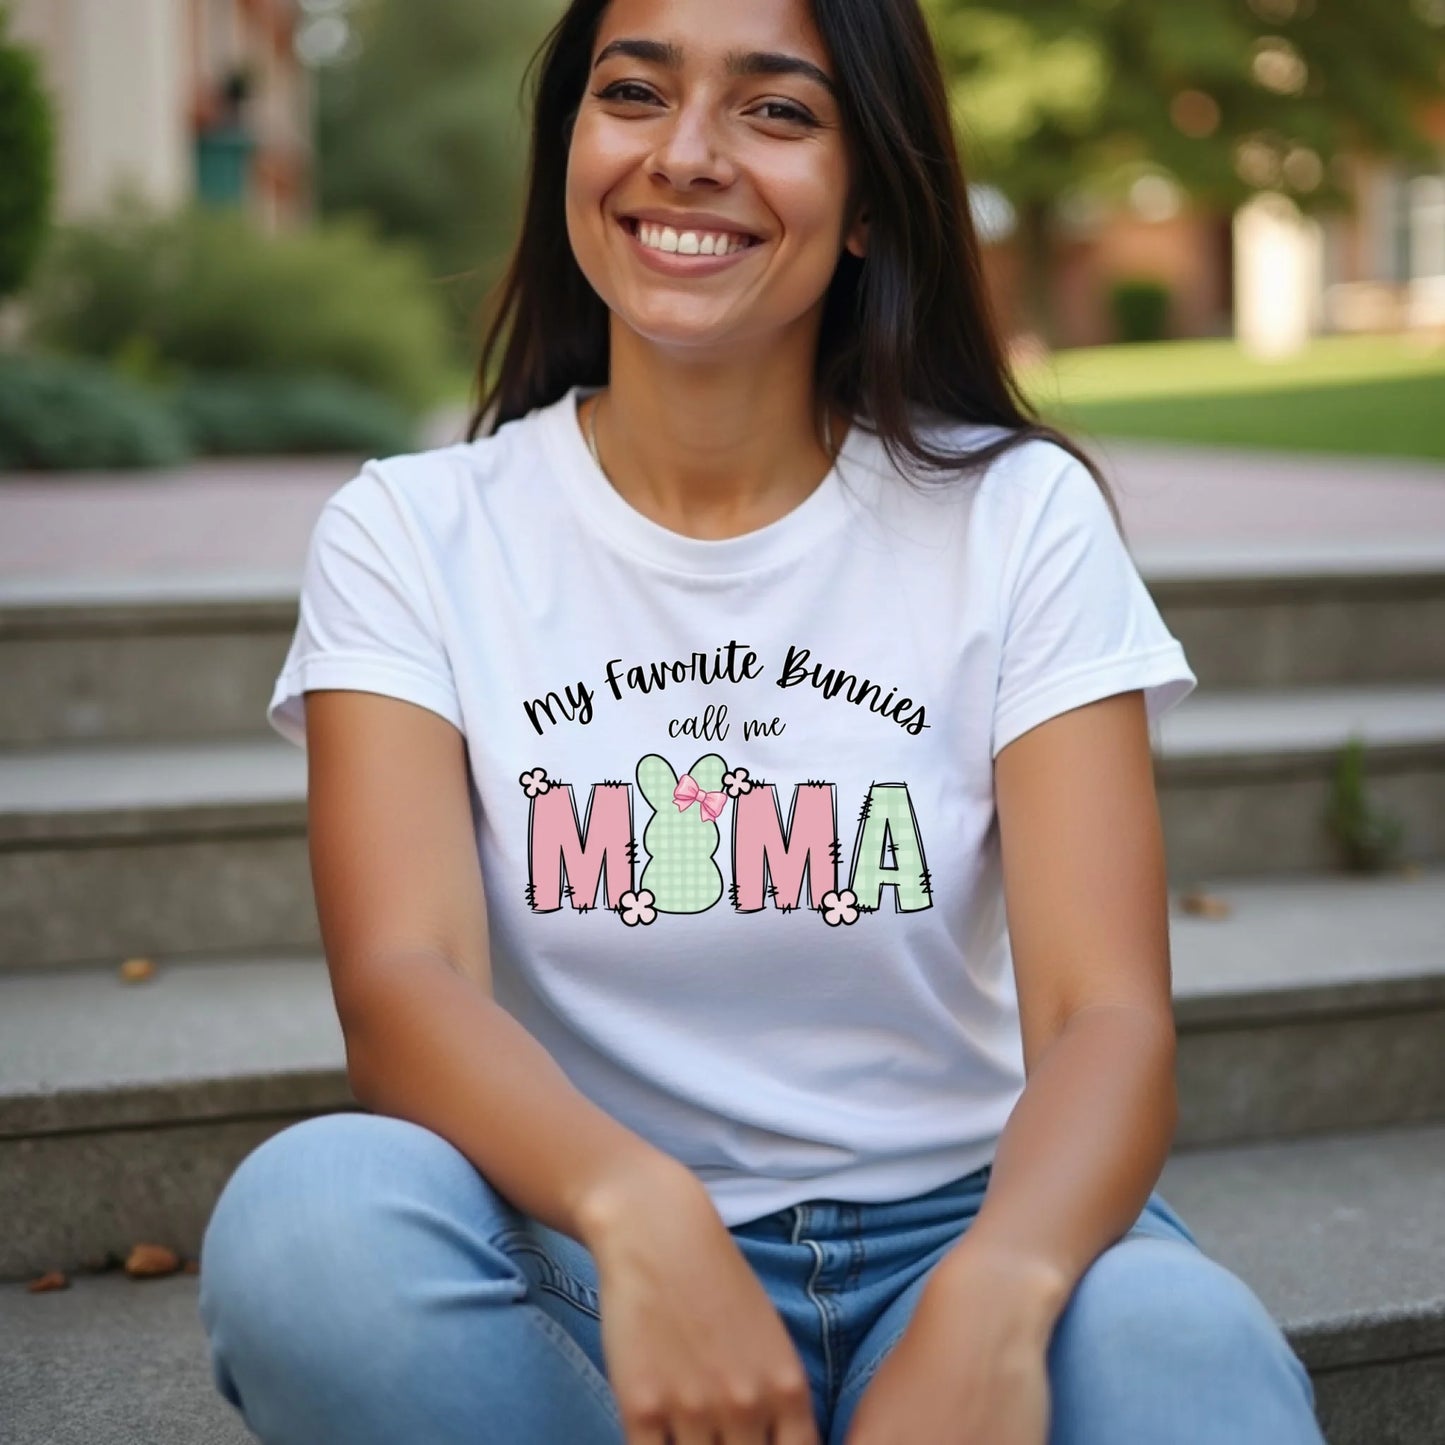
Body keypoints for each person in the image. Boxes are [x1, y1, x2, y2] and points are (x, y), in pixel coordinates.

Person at [197, 2, 1328, 1442]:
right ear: (567, 148)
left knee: (1182, 1344)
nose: (685, 154)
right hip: (582, 1255)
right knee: (310, 1225)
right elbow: (403, 980)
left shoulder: (1015, 516)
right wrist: (634, 1205)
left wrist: (1002, 1287)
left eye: (777, 110)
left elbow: (1103, 1014)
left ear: (870, 203)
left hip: (960, 1229)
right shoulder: (413, 534)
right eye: (632, 93)